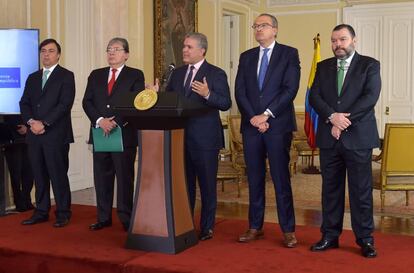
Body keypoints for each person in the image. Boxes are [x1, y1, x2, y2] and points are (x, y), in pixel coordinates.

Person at [309, 24, 380, 258]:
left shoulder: (369, 65)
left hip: (358, 138)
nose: (337, 44)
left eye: (342, 39)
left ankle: (365, 240)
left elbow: (370, 97)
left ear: (354, 40)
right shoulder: (322, 67)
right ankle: (329, 236)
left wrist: (342, 121)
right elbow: (315, 96)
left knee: (361, 191)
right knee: (331, 190)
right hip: (330, 139)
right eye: (334, 40)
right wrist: (332, 117)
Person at [235, 13, 300, 248]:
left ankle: (288, 230)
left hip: (277, 125)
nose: (258, 29)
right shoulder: (247, 56)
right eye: (255, 26)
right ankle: (255, 226)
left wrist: (267, 114)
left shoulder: (289, 54)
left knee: (281, 178)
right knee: (254, 177)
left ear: (275, 30)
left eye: (263, 26)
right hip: (252, 126)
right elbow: (240, 90)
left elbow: (290, 89)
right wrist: (254, 117)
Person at [165, 32, 231, 240]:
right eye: (184, 46)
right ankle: (185, 223)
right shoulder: (177, 74)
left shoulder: (216, 73)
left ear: (202, 50)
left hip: (205, 140)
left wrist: (207, 94)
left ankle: (207, 227)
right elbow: (169, 101)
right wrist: (156, 95)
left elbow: (225, 103)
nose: (184, 50)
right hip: (179, 138)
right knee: (185, 185)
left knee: (207, 185)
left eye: (189, 47)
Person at [82, 37, 145, 232]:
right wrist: (100, 121)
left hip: (123, 133)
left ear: (126, 54)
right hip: (100, 131)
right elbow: (87, 101)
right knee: (102, 177)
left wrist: (115, 121)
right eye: (109, 49)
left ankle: (126, 218)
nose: (111, 52)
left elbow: (136, 102)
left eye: (116, 49)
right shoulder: (96, 75)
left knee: (125, 178)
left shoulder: (135, 75)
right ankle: (103, 217)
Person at [19, 38, 75, 227]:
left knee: (58, 174)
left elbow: (64, 104)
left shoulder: (66, 76)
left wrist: (45, 123)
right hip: (34, 135)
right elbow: (24, 103)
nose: (46, 54)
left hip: (55, 135)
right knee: (39, 175)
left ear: (58, 54)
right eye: (43, 51)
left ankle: (63, 213)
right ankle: (41, 211)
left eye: (51, 51)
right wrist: (31, 122)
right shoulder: (33, 77)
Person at [2, 115, 34, 212]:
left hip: (29, 138)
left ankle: (27, 200)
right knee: (16, 173)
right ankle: (19, 203)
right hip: (11, 138)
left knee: (29, 172)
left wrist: (27, 128)